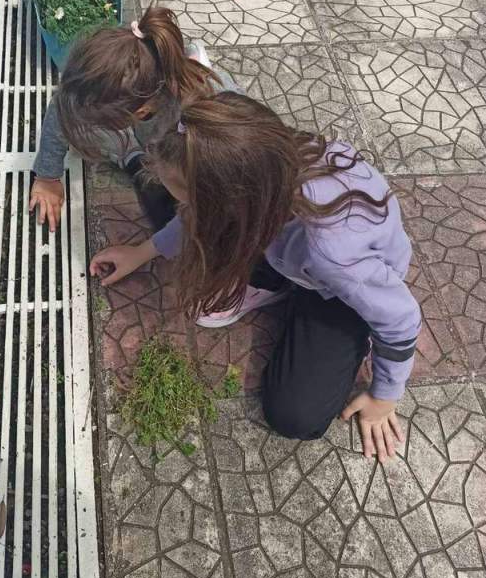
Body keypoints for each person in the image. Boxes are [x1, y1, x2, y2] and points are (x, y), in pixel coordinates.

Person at [90, 92, 421, 461]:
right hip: (291, 249)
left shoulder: (333, 252)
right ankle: (279, 283)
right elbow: (198, 215)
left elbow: (401, 318)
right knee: (163, 201)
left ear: (232, 200)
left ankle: (302, 301)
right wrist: (143, 251)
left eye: (189, 200)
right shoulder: (260, 161)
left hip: (335, 289)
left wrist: (383, 397)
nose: (184, 207)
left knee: (296, 415)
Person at [30, 6, 236, 232]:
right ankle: (134, 152)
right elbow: (62, 108)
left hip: (194, 155)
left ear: (140, 112)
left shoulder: (207, 121)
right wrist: (48, 176)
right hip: (153, 136)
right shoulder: (129, 75)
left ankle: (140, 157)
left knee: (173, 218)